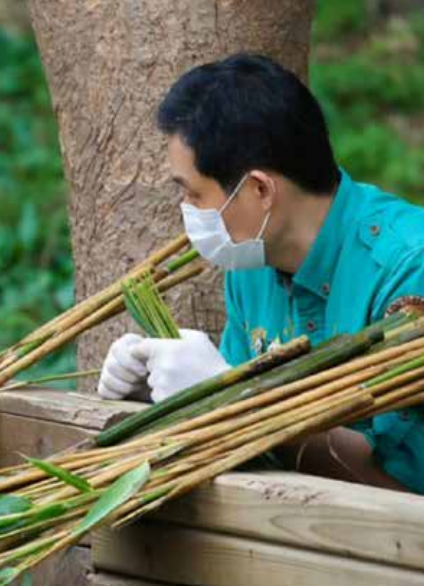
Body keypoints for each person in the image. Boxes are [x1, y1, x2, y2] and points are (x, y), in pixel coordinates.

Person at [97, 53, 424, 493]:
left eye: (194, 194)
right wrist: (164, 398)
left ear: (259, 189)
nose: (187, 213)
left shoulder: (408, 271)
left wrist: (233, 399)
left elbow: (403, 489)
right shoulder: (252, 258)